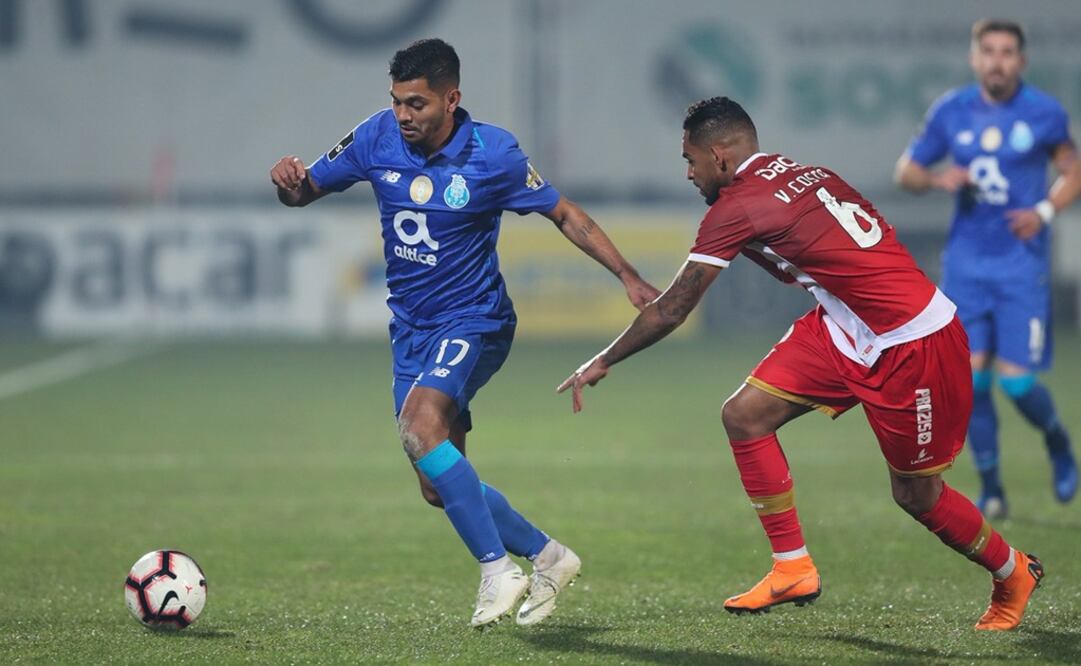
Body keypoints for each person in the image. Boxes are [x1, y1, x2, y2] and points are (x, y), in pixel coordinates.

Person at [559, 96, 1043, 630]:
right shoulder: (805, 171)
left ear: (720, 156)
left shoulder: (736, 205)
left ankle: (1012, 571)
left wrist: (604, 359)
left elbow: (674, 308)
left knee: (916, 495)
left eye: (690, 159)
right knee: (744, 415)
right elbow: (838, 243)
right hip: (845, 326)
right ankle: (792, 566)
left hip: (914, 343)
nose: (689, 173)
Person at [270, 38, 660, 628]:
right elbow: (302, 193)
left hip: (476, 320)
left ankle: (495, 570)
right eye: (398, 102)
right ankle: (550, 557)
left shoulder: (493, 154)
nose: (404, 116)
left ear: (452, 98)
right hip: (411, 329)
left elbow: (566, 214)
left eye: (418, 104)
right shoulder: (375, 135)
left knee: (420, 425)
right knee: (436, 480)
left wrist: (629, 277)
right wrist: (286, 180)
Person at [895, 19, 1081, 519]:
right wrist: (937, 179)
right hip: (968, 268)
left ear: (1021, 61)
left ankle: (1059, 441)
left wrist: (1043, 212)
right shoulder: (952, 111)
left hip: (1022, 267)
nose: (997, 60)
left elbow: (1073, 168)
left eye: (1007, 52)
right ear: (975, 58)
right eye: (989, 51)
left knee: (1018, 385)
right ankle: (993, 488)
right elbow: (905, 172)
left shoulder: (1043, 112)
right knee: (972, 383)